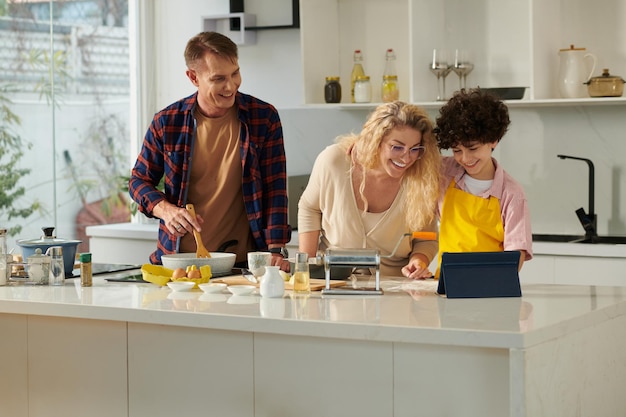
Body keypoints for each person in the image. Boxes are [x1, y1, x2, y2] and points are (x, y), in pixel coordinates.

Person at [128, 31, 291, 269]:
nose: (231, 86)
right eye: (218, 79)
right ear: (193, 77)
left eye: (235, 73)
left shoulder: (263, 118)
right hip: (179, 264)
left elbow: (275, 188)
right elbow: (138, 181)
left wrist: (276, 249)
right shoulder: (167, 122)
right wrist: (166, 210)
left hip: (242, 263)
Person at [298, 101, 441, 278]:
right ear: (376, 140)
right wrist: (306, 267)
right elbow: (309, 207)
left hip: (394, 287)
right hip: (334, 279)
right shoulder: (335, 161)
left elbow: (426, 238)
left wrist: (418, 261)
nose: (406, 157)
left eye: (415, 149)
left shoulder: (421, 179)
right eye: (397, 147)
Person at [434, 88, 532, 276]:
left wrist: (497, 285)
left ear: (493, 140)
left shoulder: (512, 194)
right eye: (456, 150)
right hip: (446, 287)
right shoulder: (445, 173)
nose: (465, 158)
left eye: (472, 148)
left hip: (490, 288)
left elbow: (516, 252)